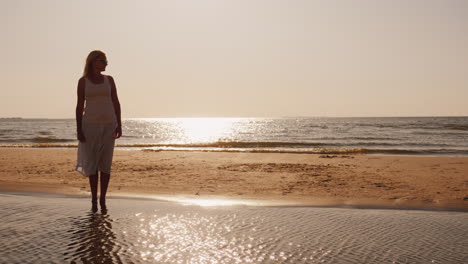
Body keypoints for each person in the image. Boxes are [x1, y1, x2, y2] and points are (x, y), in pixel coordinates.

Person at [75, 50, 122, 212]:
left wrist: (119, 124)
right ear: (93, 61)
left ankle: (103, 198)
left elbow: (116, 102)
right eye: (103, 61)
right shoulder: (83, 82)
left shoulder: (109, 80)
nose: (106, 64)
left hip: (109, 124)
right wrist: (79, 129)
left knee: (106, 162)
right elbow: (79, 106)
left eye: (106, 61)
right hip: (90, 126)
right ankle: (94, 198)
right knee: (93, 163)